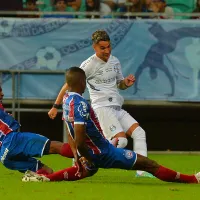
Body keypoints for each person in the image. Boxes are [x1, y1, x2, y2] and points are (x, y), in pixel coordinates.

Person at [22, 67, 200, 183]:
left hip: (97, 150)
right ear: (83, 82)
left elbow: (70, 132)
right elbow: (80, 137)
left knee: (85, 170)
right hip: (103, 153)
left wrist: (77, 155)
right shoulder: (81, 104)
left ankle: (45, 179)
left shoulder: (67, 100)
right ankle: (193, 179)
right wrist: (87, 156)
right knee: (149, 164)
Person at [48, 29, 151, 177]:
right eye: (102, 48)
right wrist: (55, 106)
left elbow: (119, 84)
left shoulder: (115, 61)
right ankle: (82, 161)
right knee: (120, 141)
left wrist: (125, 83)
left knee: (139, 133)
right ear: (94, 47)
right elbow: (68, 84)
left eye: (108, 46)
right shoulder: (88, 65)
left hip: (116, 106)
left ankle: (142, 173)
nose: (107, 50)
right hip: (101, 107)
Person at [0, 86, 73, 174]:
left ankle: (48, 177)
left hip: (4, 157)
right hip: (12, 140)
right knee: (54, 147)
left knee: (45, 171)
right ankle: (88, 154)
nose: (2, 94)